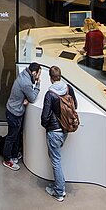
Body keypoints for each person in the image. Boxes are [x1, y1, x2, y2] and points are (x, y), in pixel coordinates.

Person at [42, 66, 77, 202]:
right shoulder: (68, 88)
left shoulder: (50, 94)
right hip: (65, 129)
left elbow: (45, 116)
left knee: (56, 161)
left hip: (54, 131)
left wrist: (46, 125)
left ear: (51, 78)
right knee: (56, 159)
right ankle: (59, 185)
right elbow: (75, 105)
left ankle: (59, 192)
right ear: (60, 76)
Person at [2, 62, 41, 171]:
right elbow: (32, 98)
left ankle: (14, 155)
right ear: (34, 73)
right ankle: (7, 159)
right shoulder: (26, 83)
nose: (39, 77)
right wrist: (38, 84)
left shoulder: (24, 74)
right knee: (11, 137)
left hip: (13, 110)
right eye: (38, 74)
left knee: (16, 135)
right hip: (14, 113)